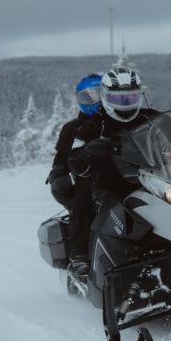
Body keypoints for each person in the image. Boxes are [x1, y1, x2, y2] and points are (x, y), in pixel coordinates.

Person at [67, 66, 163, 274]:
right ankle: (79, 254)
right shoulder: (93, 125)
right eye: (119, 99)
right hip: (106, 182)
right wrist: (88, 151)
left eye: (130, 98)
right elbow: (74, 155)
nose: (125, 105)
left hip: (150, 178)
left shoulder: (150, 118)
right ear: (106, 98)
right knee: (82, 195)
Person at [46, 74, 103, 276]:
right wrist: (59, 171)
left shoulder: (119, 120)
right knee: (82, 199)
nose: (95, 100)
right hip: (89, 177)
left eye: (98, 93)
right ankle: (79, 255)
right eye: (88, 97)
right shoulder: (72, 128)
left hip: (125, 171)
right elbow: (61, 157)